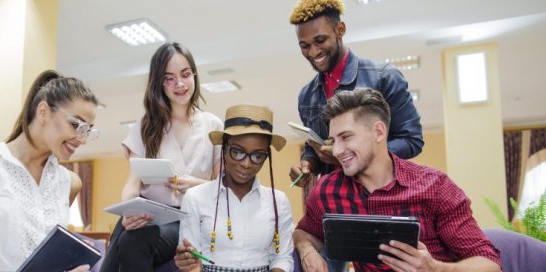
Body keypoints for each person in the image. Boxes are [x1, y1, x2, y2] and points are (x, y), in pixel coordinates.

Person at [293, 88, 501, 272]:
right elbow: (304, 231)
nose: (336, 150)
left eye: (346, 137)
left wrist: (436, 269)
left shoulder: (435, 187)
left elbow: (490, 264)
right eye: (333, 140)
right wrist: (306, 250)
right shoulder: (328, 190)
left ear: (378, 132)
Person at [0, 70, 101, 272]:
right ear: (43, 112)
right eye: (76, 125)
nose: (82, 139)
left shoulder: (70, 183)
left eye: (88, 131)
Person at [100, 42, 223, 272]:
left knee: (134, 241)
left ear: (194, 75)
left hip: (187, 219)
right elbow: (132, 184)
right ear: (159, 83)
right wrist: (130, 211)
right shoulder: (147, 126)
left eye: (185, 74)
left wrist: (195, 184)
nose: (179, 84)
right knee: (127, 238)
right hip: (147, 216)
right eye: (169, 78)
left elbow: (222, 188)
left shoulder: (213, 125)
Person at [287, 0, 424, 188]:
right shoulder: (306, 96)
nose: (313, 51)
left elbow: (412, 141)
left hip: (381, 195)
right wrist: (308, 164)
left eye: (320, 40)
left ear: (340, 30)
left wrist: (355, 156)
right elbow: (314, 146)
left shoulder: (384, 77)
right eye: (304, 45)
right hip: (335, 199)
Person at [174, 104, 294, 272]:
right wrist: (187, 262)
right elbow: (191, 260)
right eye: (237, 152)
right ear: (224, 148)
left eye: (258, 156)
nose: (246, 164)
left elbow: (282, 257)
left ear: (266, 156)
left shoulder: (278, 202)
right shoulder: (195, 198)